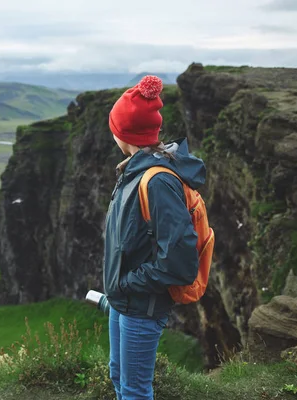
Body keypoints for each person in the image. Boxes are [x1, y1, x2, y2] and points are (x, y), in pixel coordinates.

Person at [102, 75, 205, 400]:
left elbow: (179, 263)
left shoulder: (157, 182)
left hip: (140, 305)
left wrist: (128, 283)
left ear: (124, 132)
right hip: (124, 301)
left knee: (134, 392)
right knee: (119, 377)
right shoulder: (133, 168)